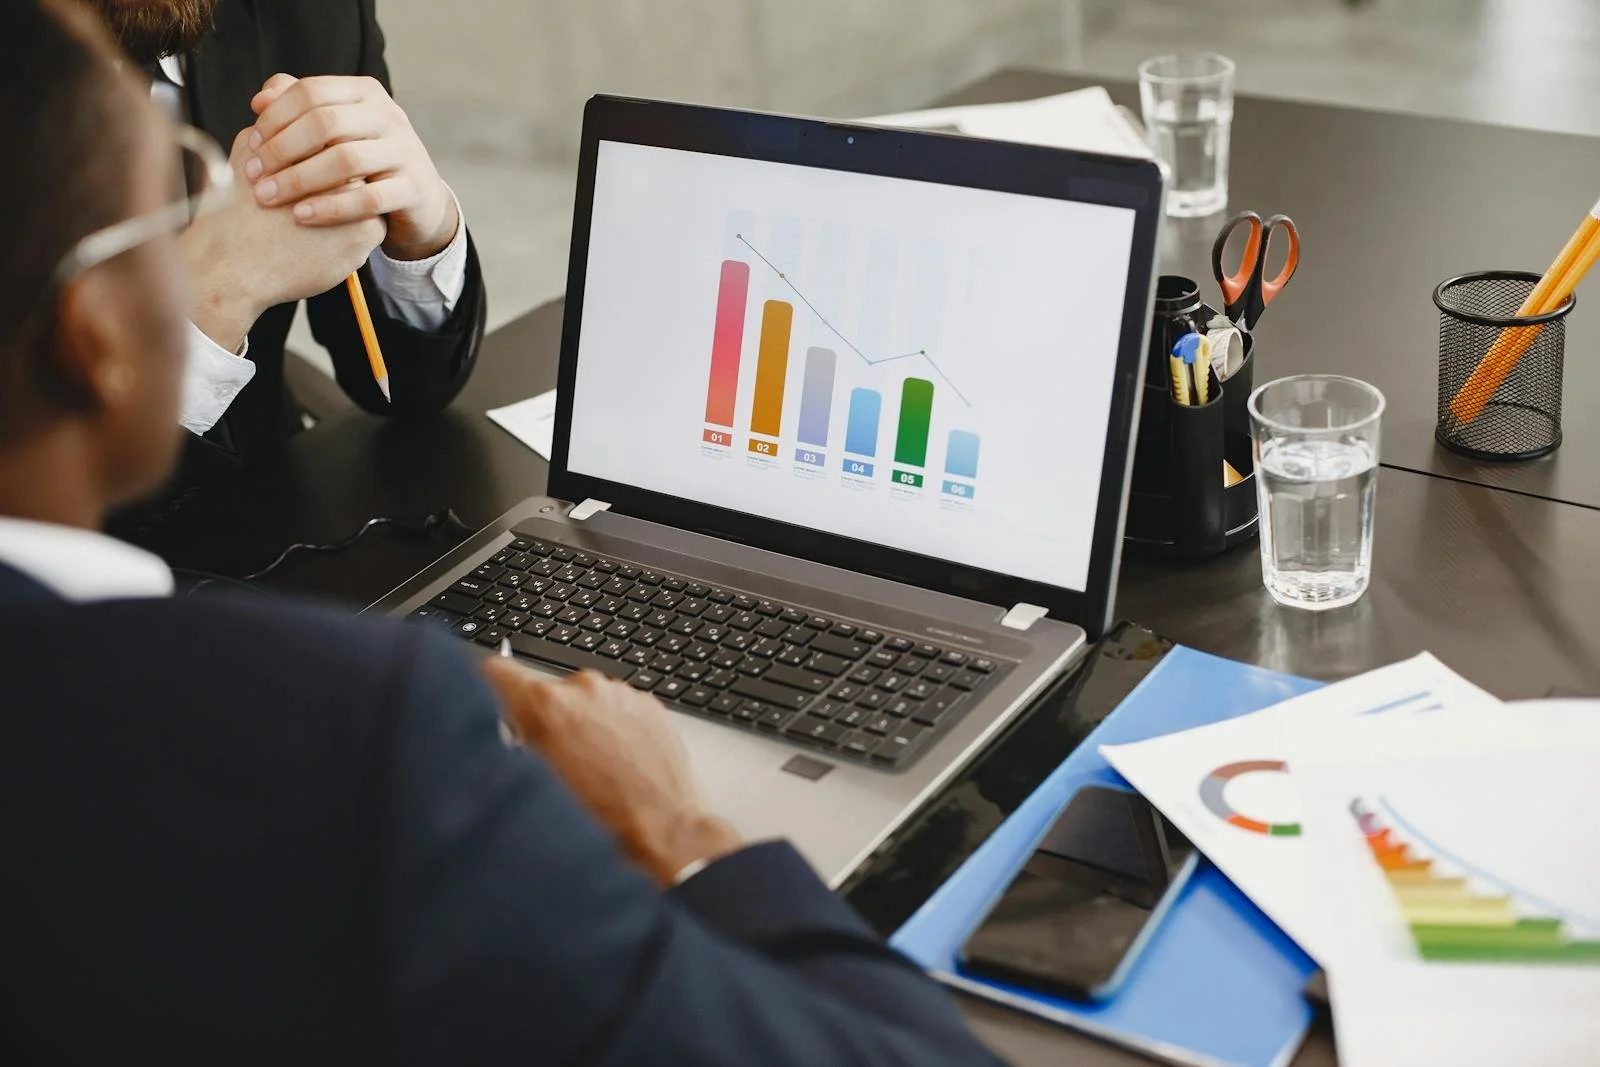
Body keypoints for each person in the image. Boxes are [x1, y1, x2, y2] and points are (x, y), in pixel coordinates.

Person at [0, 4, 1003, 1063]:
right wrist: (682, 834)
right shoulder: (367, 731)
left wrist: (421, 229)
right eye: (177, 190)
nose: (204, 197)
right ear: (94, 334)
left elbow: (401, 378)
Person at [84, 0, 487, 493]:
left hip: (265, 495)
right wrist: (218, 293)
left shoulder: (311, 14)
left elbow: (403, 388)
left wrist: (421, 235)